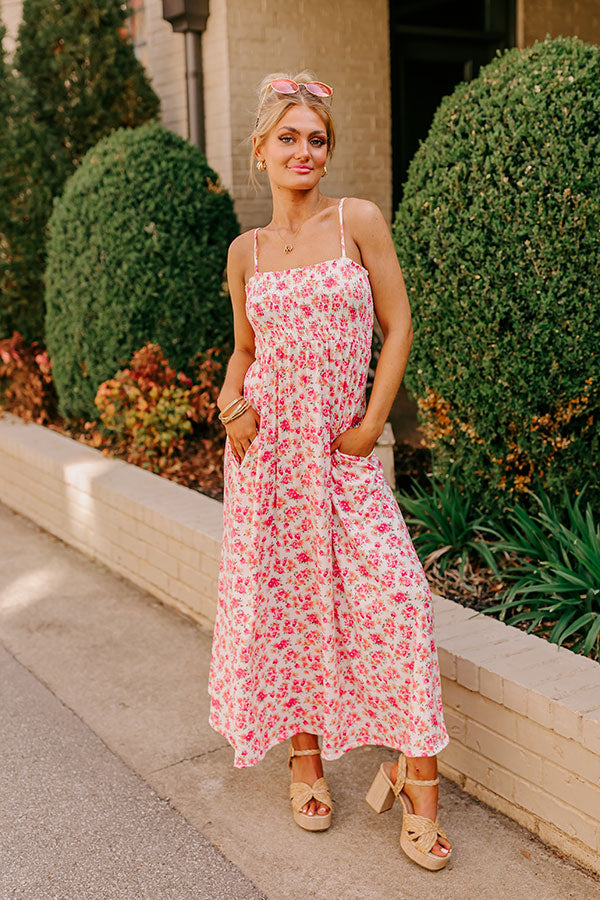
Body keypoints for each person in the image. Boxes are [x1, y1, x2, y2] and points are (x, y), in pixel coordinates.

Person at [208, 70, 453, 870]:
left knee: (401, 600)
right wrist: (230, 406)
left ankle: (417, 785)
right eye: (288, 137)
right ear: (260, 150)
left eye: (316, 139)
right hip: (267, 463)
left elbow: (398, 322)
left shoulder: (358, 221)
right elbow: (243, 352)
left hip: (341, 453)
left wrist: (375, 423)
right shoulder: (244, 252)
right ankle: (305, 762)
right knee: (288, 610)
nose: (304, 151)